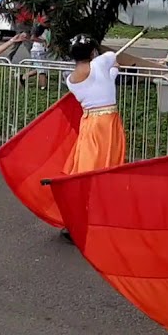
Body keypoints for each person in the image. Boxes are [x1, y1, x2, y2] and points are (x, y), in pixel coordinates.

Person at [57, 34, 130, 241]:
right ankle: (87, 220)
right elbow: (111, 58)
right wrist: (112, 65)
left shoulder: (71, 80)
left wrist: (113, 70)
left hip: (90, 122)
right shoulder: (100, 62)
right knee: (101, 168)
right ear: (92, 52)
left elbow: (106, 79)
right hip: (107, 123)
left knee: (88, 167)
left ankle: (86, 218)